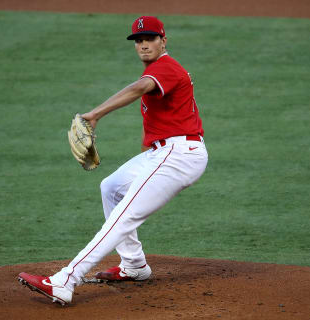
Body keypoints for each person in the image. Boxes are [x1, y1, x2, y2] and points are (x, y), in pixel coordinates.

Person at [18, 16, 208, 306]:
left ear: (163, 40)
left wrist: (95, 114)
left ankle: (65, 281)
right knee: (111, 187)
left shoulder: (166, 68)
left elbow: (137, 88)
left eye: (150, 38)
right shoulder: (158, 69)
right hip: (164, 152)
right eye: (139, 40)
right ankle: (134, 264)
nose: (144, 45)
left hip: (179, 154)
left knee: (124, 215)